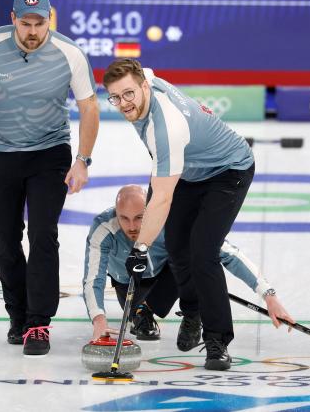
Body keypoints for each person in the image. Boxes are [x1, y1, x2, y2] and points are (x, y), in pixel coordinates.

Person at [0, 0, 99, 356]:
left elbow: (89, 106)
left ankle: (38, 323)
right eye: (26, 23)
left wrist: (82, 159)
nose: (33, 31)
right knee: (5, 240)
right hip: (1, 153)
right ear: (13, 20)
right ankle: (17, 316)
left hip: (50, 154)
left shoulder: (69, 53)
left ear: (49, 20)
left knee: (43, 234)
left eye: (40, 23)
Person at [103, 59, 255, 370]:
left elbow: (161, 199)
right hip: (188, 169)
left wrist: (140, 248)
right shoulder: (143, 78)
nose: (123, 104)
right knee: (176, 248)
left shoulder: (166, 128)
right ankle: (193, 309)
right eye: (116, 97)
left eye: (129, 94)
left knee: (203, 252)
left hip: (228, 171)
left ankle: (217, 340)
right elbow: (141, 70)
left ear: (144, 88)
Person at [83, 185, 294, 350]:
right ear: (115, 213)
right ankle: (140, 310)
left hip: (169, 274)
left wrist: (269, 295)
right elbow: (94, 278)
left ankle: (192, 314)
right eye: (124, 219)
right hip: (128, 281)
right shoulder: (103, 229)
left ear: (150, 209)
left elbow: (227, 253)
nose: (131, 227)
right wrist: (99, 320)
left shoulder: (170, 219)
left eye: (139, 218)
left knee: (188, 255)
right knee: (135, 311)